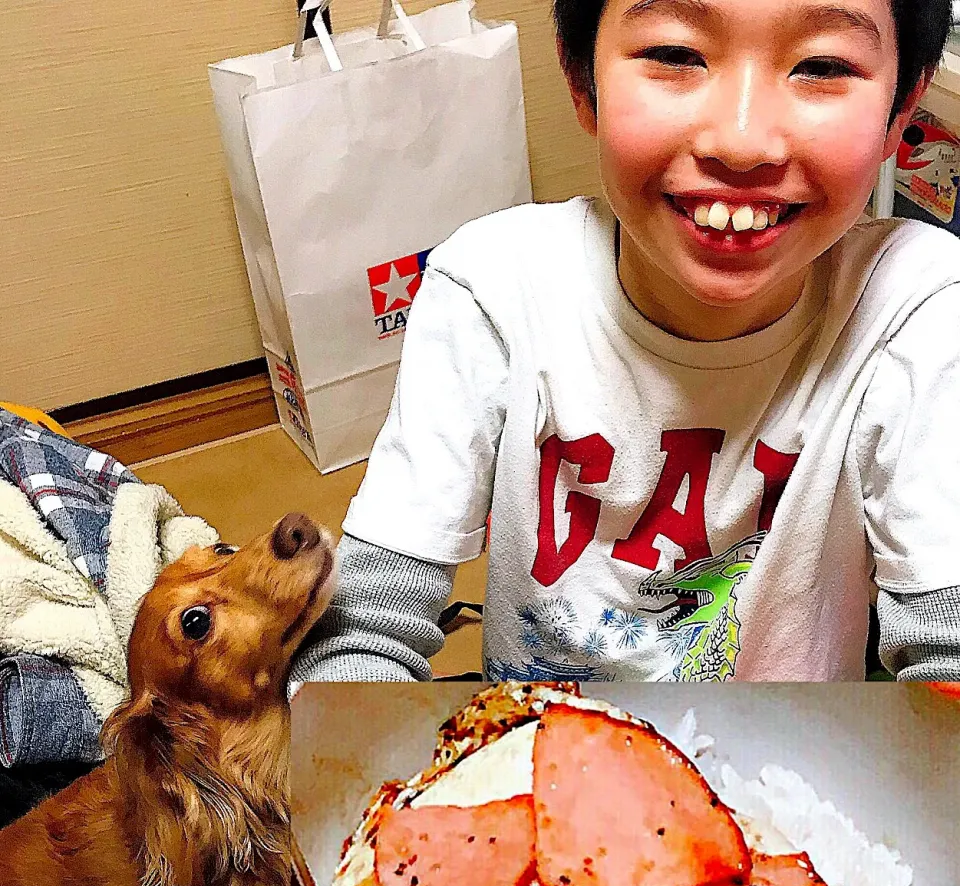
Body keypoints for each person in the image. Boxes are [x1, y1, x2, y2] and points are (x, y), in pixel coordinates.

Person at [293, 0, 960, 684]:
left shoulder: (917, 308)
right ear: (583, 82)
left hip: (781, 774)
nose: (741, 142)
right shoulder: (492, 289)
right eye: (676, 55)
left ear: (901, 110)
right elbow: (365, 629)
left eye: (821, 66)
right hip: (532, 760)